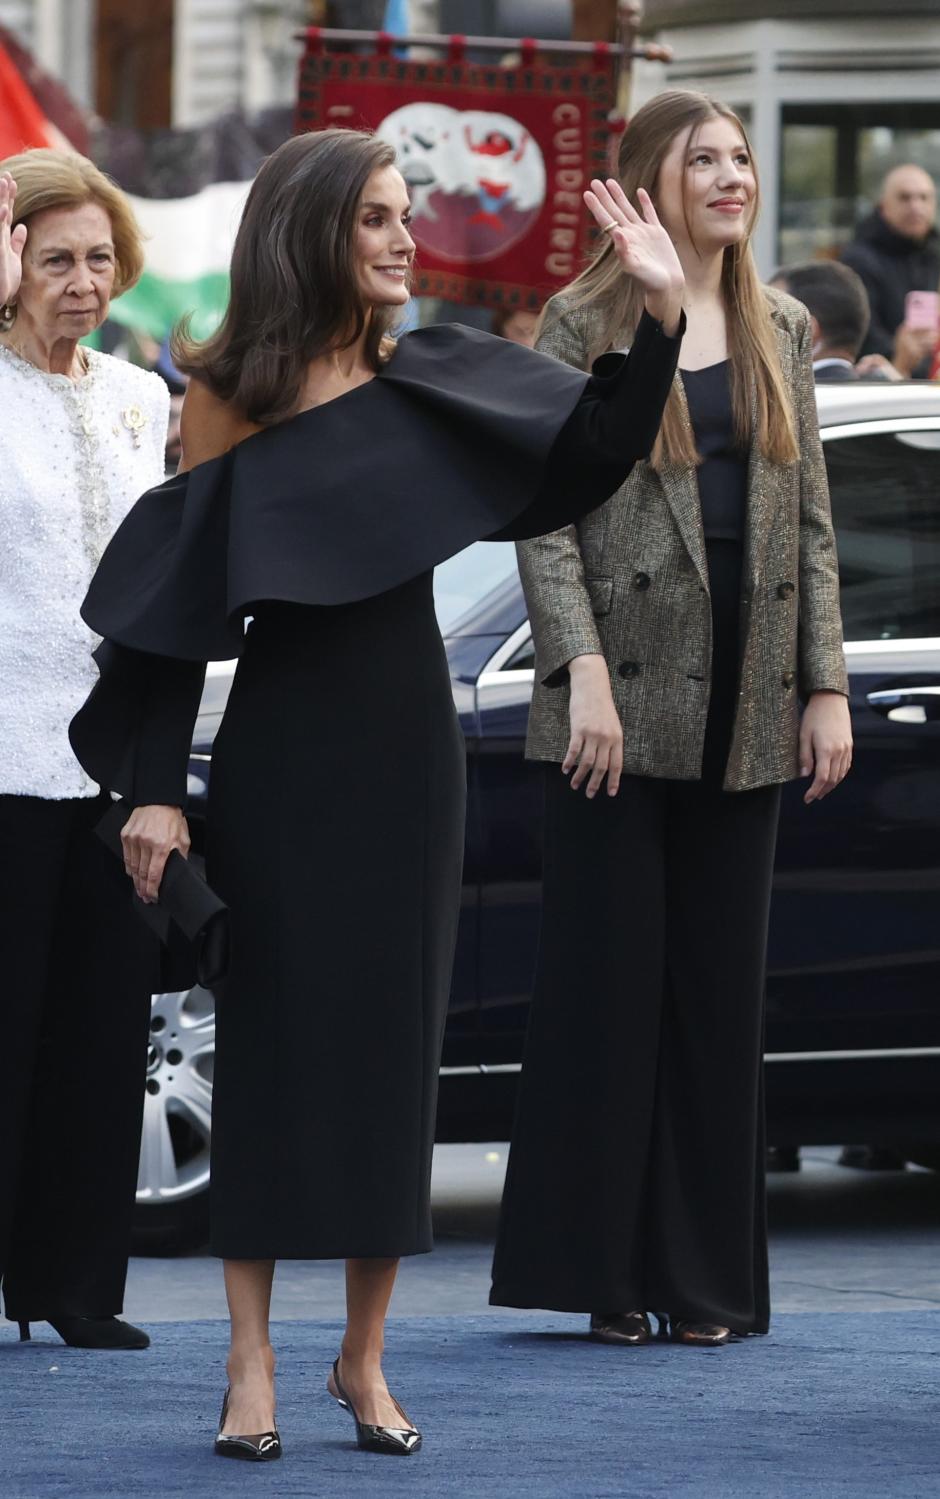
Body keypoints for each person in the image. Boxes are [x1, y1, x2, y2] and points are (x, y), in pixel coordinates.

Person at [68, 127, 685, 1459]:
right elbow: (171, 618)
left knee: (390, 1068)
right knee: (275, 1059)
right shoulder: (229, 394)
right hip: (285, 760)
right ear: (312, 235)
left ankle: (362, 1358)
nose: (408, 240)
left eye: (410, 217)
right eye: (378, 221)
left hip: (411, 758)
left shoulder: (438, 380)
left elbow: (592, 455)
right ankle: (250, 1365)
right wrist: (160, 791)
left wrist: (658, 308)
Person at [489, 90, 853, 1347]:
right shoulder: (581, 317)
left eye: (744, 156)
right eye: (705, 157)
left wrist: (827, 682)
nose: (732, 174)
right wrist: (575, 663)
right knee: (608, 987)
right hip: (619, 695)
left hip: (748, 687)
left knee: (715, 996)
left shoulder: (783, 322)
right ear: (652, 177)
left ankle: (701, 1281)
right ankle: (608, 1273)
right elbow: (545, 512)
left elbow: (806, 519)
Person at [0, 152, 169, 1349]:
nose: (80, 280)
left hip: (114, 761)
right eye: (53, 257)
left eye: (98, 257)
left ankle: (73, 1287)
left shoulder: (141, 396)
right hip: (1, 751)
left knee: (102, 1030)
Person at [841, 164, 940, 377]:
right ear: (883, 206)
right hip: (880, 379)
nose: (916, 206)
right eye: (905, 198)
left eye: (924, 198)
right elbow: (861, 333)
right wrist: (900, 357)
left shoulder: (934, 253)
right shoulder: (859, 260)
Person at [771, 259, 901, 384]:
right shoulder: (884, 396)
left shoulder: (786, 403)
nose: (755, 331)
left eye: (769, 318)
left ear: (805, 332)